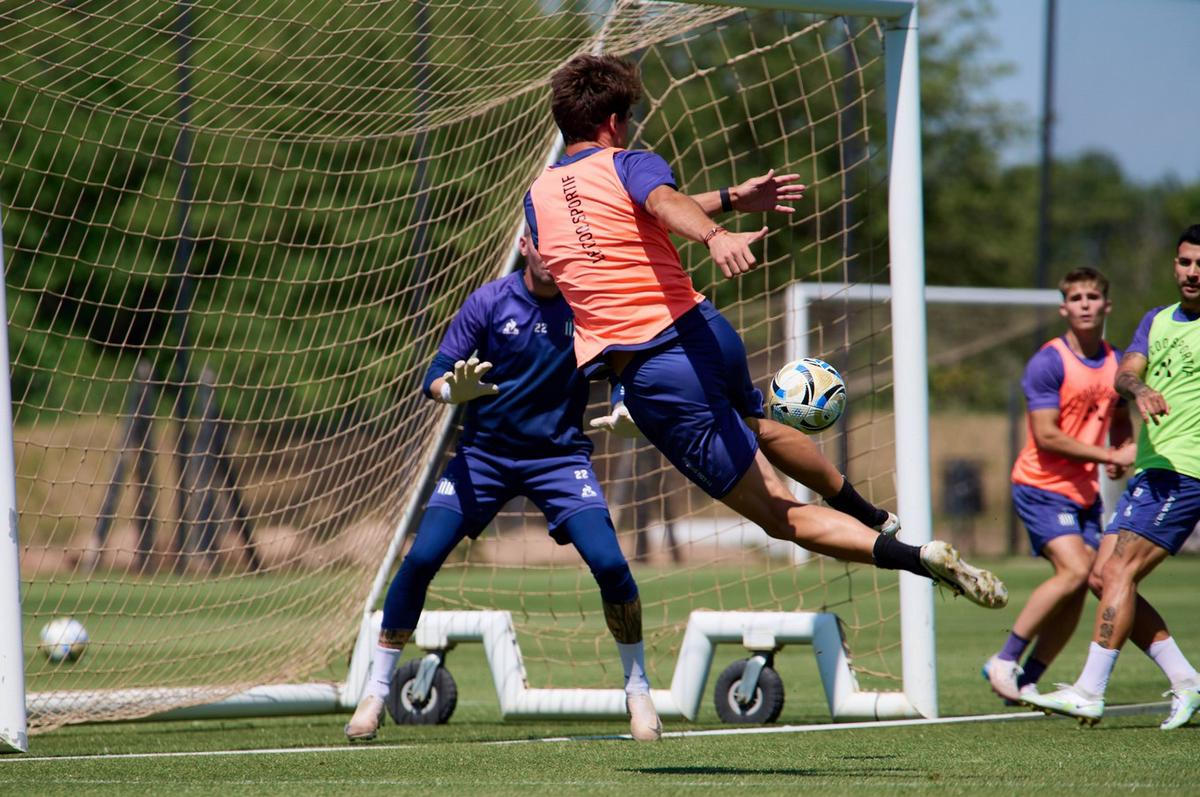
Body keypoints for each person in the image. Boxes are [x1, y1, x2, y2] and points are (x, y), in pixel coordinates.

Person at [523, 54, 1006, 612]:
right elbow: (651, 206)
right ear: (613, 122)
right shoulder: (627, 163)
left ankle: (915, 557)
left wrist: (713, 229)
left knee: (781, 516)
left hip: (654, 369)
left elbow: (648, 210)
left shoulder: (538, 198)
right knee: (754, 422)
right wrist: (720, 218)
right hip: (702, 330)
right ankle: (870, 514)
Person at [344, 229, 663, 742]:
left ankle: (638, 688)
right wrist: (452, 390)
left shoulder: (587, 304)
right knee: (421, 558)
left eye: (563, 248)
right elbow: (436, 374)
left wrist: (625, 404)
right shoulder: (489, 302)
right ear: (525, 244)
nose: (552, 256)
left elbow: (624, 367)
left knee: (609, 563)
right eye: (544, 244)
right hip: (484, 457)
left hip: (559, 460)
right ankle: (375, 692)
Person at [1025, 225, 1200, 730]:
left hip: (1186, 474)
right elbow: (1125, 373)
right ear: (1174, 265)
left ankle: (1089, 690)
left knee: (1118, 574)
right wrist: (1138, 388)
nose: (1192, 272)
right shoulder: (1157, 320)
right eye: (1185, 261)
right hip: (1151, 469)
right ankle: (1187, 681)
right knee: (1103, 577)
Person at [983, 268, 1134, 704]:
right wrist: (1109, 455)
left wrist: (1123, 448)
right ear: (1063, 308)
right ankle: (1004, 660)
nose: (1085, 303)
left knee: (1086, 582)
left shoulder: (1116, 363)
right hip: (1041, 484)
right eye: (1077, 297)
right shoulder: (1049, 362)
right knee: (1073, 570)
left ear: (1106, 305)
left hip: (1083, 493)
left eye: (1093, 296)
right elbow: (1047, 435)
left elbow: (1121, 419)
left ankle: (1027, 680)